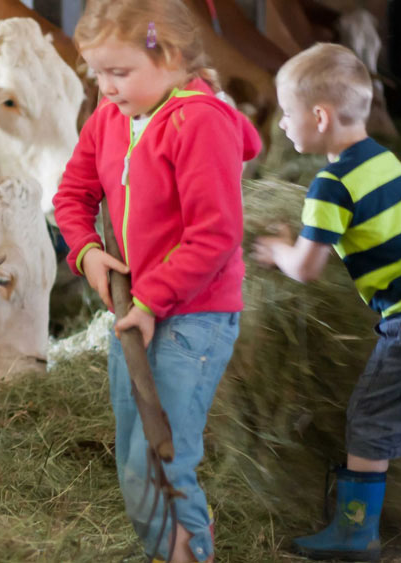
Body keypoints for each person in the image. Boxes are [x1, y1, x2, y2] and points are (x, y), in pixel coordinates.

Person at [52, 1, 261, 561]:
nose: (105, 87)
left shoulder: (200, 124)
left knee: (163, 460)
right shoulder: (111, 118)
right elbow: (72, 196)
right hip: (136, 311)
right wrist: (88, 254)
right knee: (135, 460)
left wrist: (151, 300)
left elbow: (215, 235)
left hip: (193, 316)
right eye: (97, 73)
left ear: (169, 58)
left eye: (118, 73)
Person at [253, 42, 401, 561]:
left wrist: (277, 249)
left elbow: (307, 269)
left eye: (289, 116)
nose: (286, 127)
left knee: (370, 416)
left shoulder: (331, 184)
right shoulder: (382, 159)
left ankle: (355, 531)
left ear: (320, 115)